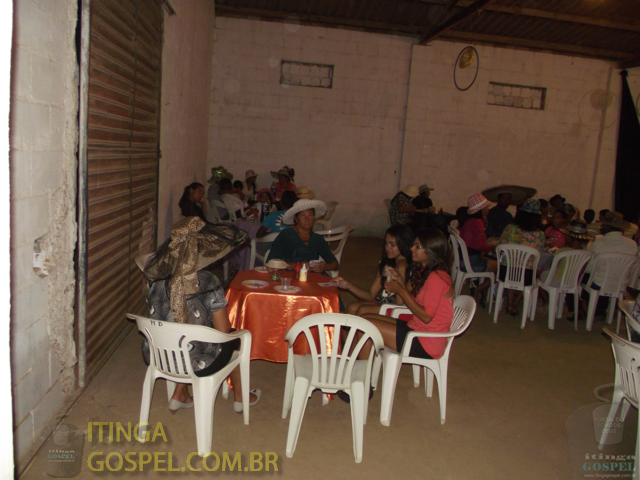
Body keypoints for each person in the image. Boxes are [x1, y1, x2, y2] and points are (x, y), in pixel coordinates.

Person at [142, 217, 259, 414]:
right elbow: (223, 332)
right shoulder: (208, 281)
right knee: (234, 337)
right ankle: (241, 396)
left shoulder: (156, 281)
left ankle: (180, 393)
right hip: (198, 362)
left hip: (157, 356)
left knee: (186, 335)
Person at [357, 228, 454, 361]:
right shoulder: (424, 270)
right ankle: (362, 366)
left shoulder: (437, 277)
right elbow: (406, 298)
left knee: (365, 327)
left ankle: (361, 372)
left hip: (427, 341)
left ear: (431, 251)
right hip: (417, 328)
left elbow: (426, 317)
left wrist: (401, 290)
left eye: (418, 246)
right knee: (364, 319)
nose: (412, 248)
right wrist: (398, 279)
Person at [334, 225, 414, 316]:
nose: (387, 248)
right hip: (385, 302)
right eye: (386, 244)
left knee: (363, 310)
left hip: (400, 309)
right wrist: (349, 285)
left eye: (392, 244)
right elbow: (370, 295)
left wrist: (401, 269)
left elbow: (399, 303)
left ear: (404, 244)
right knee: (351, 307)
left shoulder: (411, 268)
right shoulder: (387, 263)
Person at [498, 199, 545, 316]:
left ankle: (509, 303)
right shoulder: (540, 234)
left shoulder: (510, 228)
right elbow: (539, 255)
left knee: (512, 270)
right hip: (526, 274)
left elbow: (500, 246)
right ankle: (514, 304)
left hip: (506, 271)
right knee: (528, 275)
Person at [266, 199, 338, 273]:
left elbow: (335, 264)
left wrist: (324, 266)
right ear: (296, 219)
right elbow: (271, 262)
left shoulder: (317, 238)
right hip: (289, 277)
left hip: (311, 277)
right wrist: (297, 265)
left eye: (310, 215)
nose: (307, 219)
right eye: (303, 215)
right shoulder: (286, 235)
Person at [459, 193, 497, 307]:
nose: (488, 209)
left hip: (464, 259)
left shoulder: (469, 221)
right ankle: (478, 289)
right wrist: (491, 247)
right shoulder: (477, 222)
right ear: (481, 209)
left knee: (490, 262)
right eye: (486, 207)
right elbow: (478, 245)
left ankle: (482, 294)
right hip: (471, 261)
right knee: (500, 267)